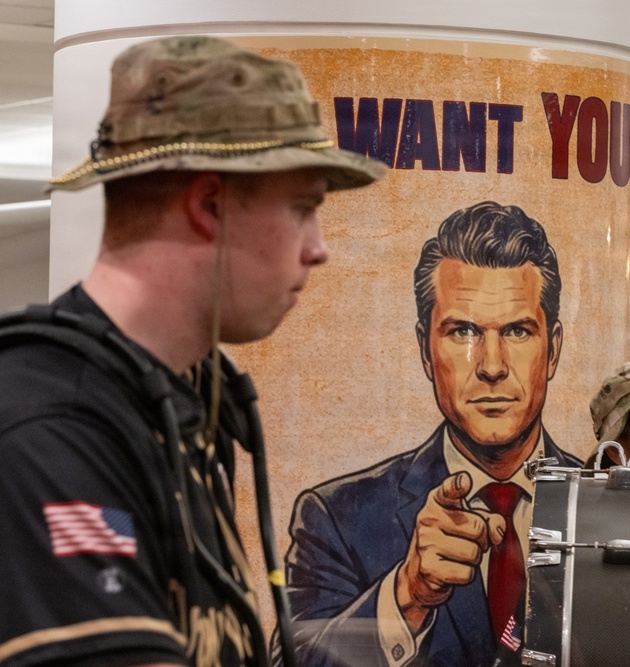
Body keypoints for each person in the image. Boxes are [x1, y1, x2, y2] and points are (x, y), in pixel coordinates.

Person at [0, 36, 384, 667]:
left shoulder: (180, 406)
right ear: (209, 205)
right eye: (302, 208)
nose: (318, 248)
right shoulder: (51, 428)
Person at [281, 201, 581, 667]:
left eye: (518, 331)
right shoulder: (338, 518)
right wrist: (408, 595)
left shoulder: (606, 506)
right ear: (426, 351)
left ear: (554, 349)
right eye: (463, 332)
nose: (492, 366)